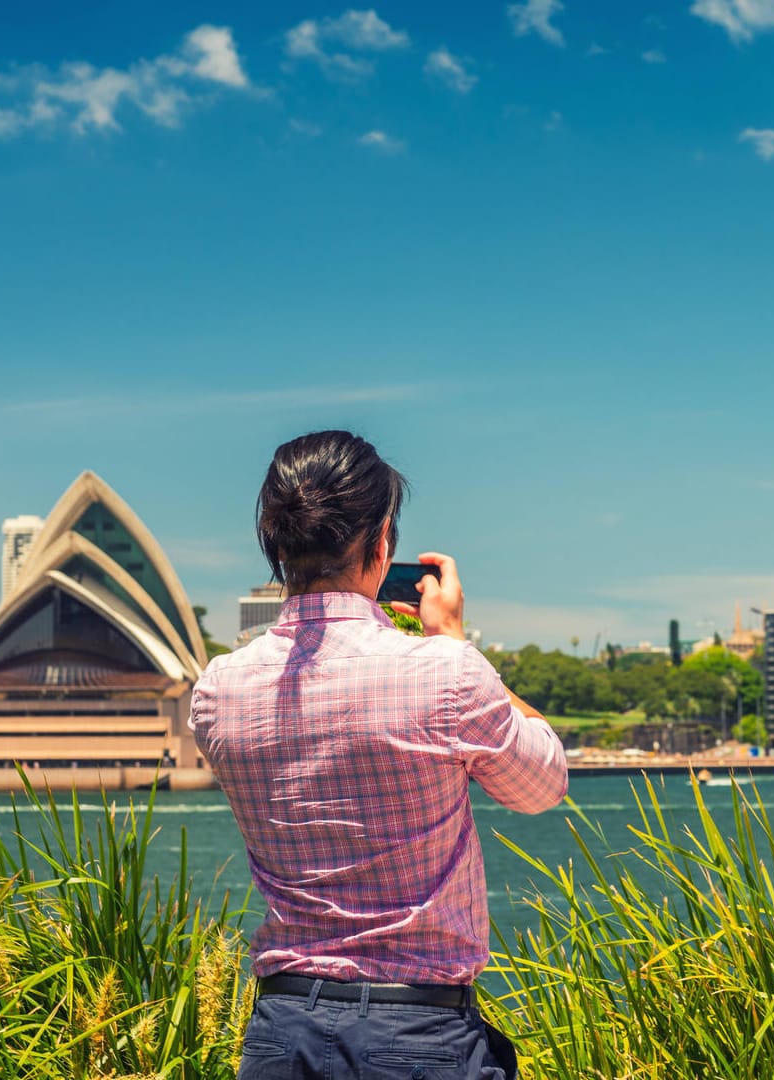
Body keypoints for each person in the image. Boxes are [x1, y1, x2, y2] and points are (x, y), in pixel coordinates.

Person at [190, 430, 568, 1080]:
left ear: (276, 544)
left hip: (282, 1033)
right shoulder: (444, 673)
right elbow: (542, 783)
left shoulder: (219, 690)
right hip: (418, 1030)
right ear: (382, 538)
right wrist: (453, 641)